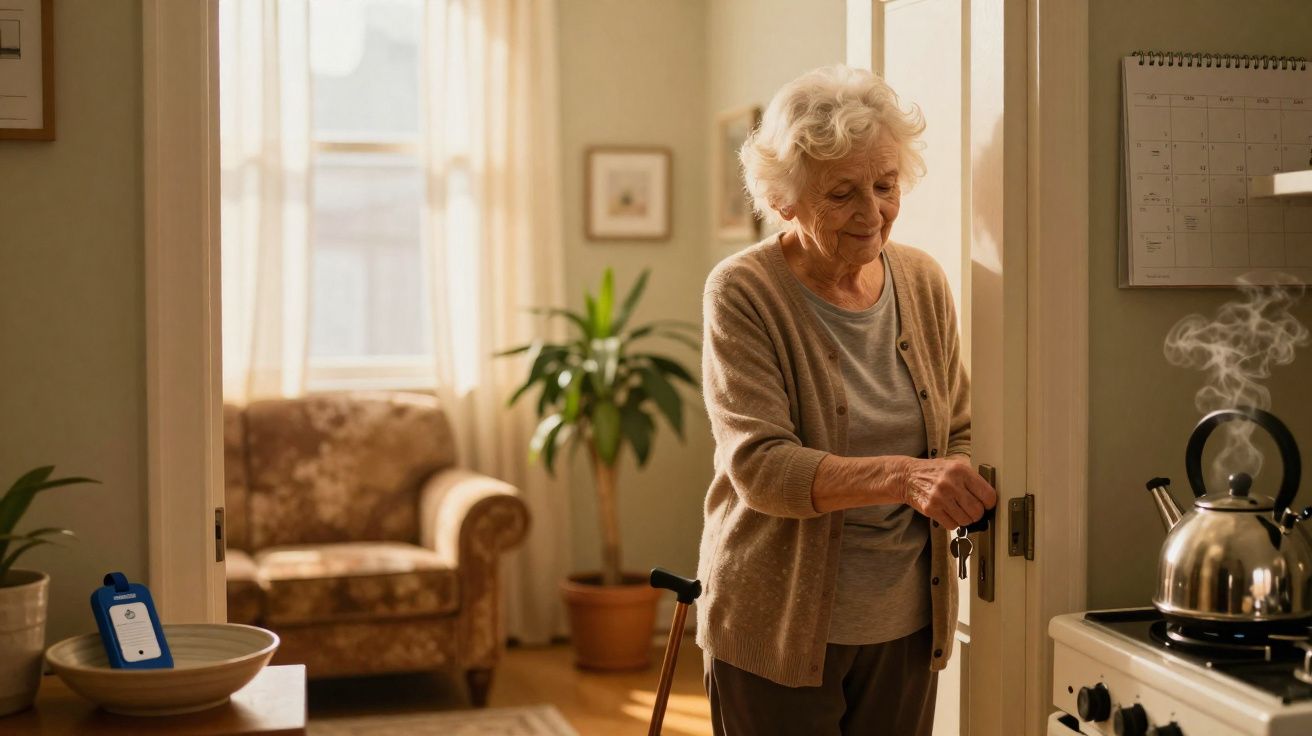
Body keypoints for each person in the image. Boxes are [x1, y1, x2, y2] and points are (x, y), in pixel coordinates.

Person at [696, 64, 996, 736]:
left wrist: (957, 482)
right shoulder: (743, 291)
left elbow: (960, 429)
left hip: (907, 624)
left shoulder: (921, 279)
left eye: (885, 186)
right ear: (786, 200)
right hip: (776, 624)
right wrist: (905, 477)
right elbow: (761, 468)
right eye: (841, 194)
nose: (873, 213)